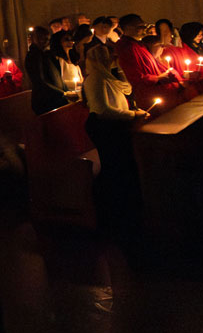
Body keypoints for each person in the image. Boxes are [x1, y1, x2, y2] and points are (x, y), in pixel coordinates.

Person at [83, 18, 149, 223]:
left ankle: (126, 205)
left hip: (115, 125)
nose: (113, 58)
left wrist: (118, 68)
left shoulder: (107, 76)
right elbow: (102, 110)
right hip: (104, 127)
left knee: (123, 165)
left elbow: (126, 88)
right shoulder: (95, 78)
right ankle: (111, 208)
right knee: (114, 166)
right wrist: (132, 115)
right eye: (109, 57)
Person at [24, 26, 71, 115]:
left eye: (47, 39)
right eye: (41, 38)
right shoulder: (34, 55)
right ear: (34, 38)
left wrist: (66, 90)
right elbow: (40, 81)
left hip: (54, 98)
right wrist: (63, 93)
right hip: (46, 101)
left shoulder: (45, 54)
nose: (45, 41)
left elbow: (57, 76)